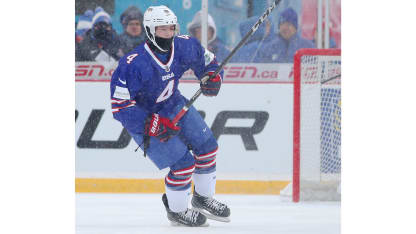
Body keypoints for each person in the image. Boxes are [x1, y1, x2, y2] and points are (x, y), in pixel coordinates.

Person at [110, 5, 230, 227]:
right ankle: (177, 210)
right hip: (146, 118)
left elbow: (210, 63)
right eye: (161, 29)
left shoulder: (185, 45)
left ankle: (203, 198)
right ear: (149, 30)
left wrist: (213, 77)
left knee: (208, 148)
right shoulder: (132, 63)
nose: (167, 33)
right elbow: (120, 106)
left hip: (174, 104)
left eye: (170, 28)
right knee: (183, 164)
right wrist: (150, 123)